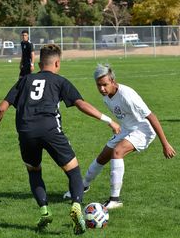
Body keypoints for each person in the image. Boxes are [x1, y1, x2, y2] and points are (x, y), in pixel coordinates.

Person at [0, 45, 121, 235]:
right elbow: (81, 104)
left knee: (34, 171)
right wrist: (109, 120)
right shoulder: (60, 81)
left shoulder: (24, 80)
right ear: (57, 63)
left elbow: (1, 108)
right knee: (73, 171)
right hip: (50, 130)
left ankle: (45, 210)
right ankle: (76, 205)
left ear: (39, 64)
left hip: (26, 132)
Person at [63, 64, 176, 209]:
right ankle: (83, 187)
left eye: (105, 84)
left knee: (117, 152)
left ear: (113, 81)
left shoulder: (127, 95)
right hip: (127, 129)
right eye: (99, 85)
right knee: (102, 157)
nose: (102, 89)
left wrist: (165, 144)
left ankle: (115, 199)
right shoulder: (107, 96)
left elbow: (151, 117)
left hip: (143, 130)